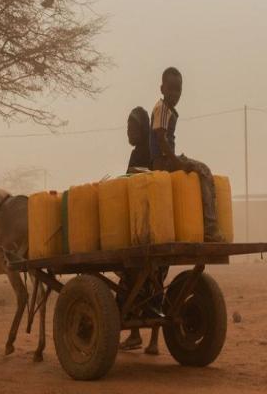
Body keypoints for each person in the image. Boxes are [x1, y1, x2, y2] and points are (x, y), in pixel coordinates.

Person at [150, 67, 224, 242]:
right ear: (162, 89)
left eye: (179, 90)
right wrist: (178, 163)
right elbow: (161, 139)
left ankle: (207, 225)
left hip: (167, 159)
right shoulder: (161, 108)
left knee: (202, 170)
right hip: (163, 161)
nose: (175, 94)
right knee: (203, 171)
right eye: (171, 89)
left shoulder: (167, 109)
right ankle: (210, 228)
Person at [119, 106, 161, 354]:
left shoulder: (144, 154)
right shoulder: (142, 151)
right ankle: (142, 337)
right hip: (149, 224)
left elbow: (136, 183)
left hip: (146, 227)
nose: (127, 132)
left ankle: (146, 337)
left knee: (142, 281)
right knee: (152, 282)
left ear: (142, 129)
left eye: (131, 127)